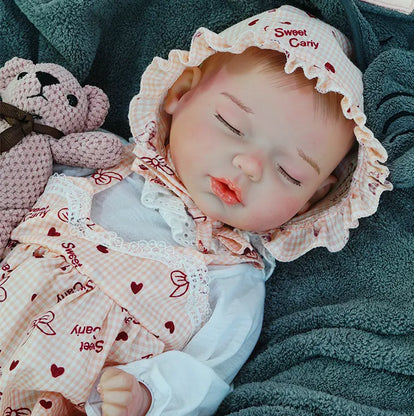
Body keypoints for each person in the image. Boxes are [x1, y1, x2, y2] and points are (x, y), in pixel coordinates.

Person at [0, 5, 391, 416]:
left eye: (289, 173)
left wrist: (148, 395)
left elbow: (207, 373)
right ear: (180, 94)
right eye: (232, 125)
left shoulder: (233, 276)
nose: (250, 166)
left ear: (312, 199)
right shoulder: (101, 157)